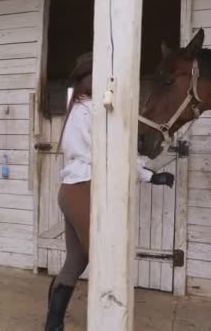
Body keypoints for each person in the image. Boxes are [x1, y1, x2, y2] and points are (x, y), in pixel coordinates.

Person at [44, 52, 175, 331]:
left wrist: (148, 175)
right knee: (106, 261)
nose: (100, 80)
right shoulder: (88, 109)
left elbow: (114, 153)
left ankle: (52, 325)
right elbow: (110, 154)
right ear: (84, 80)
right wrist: (146, 174)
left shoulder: (86, 108)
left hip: (76, 189)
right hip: (82, 189)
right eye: (94, 75)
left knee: (76, 262)